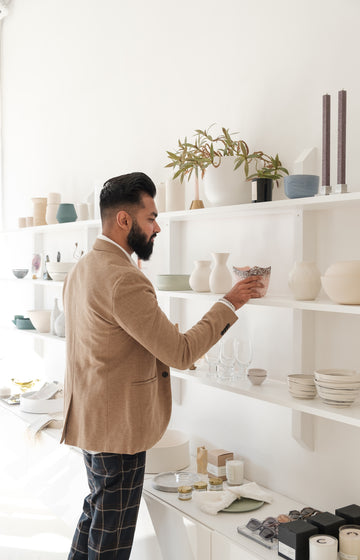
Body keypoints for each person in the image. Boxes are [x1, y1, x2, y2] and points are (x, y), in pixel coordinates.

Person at [61, 172, 263, 559]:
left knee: (95, 515)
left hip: (90, 419)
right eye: (151, 217)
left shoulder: (83, 268)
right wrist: (229, 303)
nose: (157, 227)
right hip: (118, 429)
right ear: (124, 220)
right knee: (111, 541)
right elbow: (182, 353)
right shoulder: (122, 278)